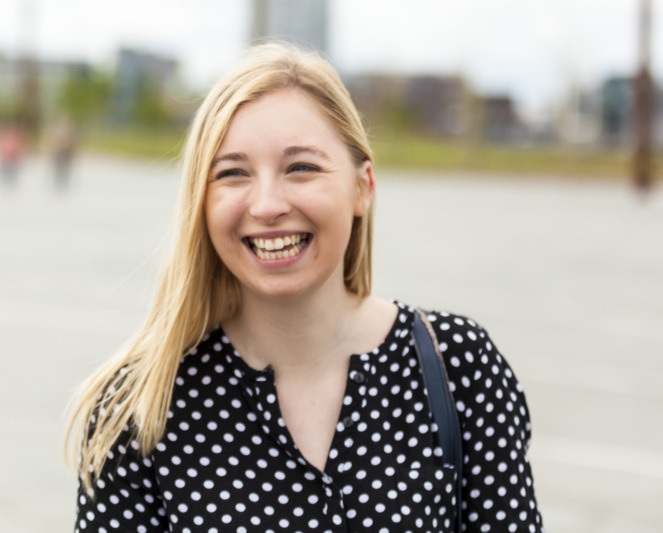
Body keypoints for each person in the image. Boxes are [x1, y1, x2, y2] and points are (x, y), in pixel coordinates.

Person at [67, 42, 545, 532]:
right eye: (233, 173)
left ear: (363, 187)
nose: (268, 204)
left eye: (301, 167)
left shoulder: (458, 368)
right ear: (201, 202)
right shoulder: (138, 406)